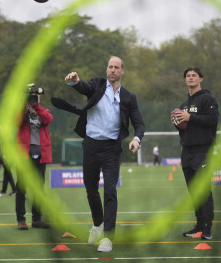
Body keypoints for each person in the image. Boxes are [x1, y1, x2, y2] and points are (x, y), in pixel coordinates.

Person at [62, 56, 145, 252]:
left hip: (111, 149)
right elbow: (83, 86)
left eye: (116, 67)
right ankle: (98, 224)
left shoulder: (129, 97)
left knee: (110, 191)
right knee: (90, 188)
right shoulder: (97, 85)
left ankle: (108, 237)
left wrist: (136, 139)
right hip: (90, 145)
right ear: (106, 69)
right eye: (110, 66)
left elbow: (139, 124)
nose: (112, 70)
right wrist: (74, 81)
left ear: (122, 71)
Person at [171, 67, 219, 240]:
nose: (190, 78)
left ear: (201, 79)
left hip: (203, 150)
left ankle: (207, 228)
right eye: (188, 76)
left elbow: (212, 121)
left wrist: (189, 117)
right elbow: (185, 130)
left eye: (194, 75)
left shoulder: (207, 99)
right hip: (187, 151)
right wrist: (178, 122)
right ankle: (199, 226)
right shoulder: (184, 104)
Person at [15, 92, 53, 230]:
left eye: (35, 97)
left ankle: (37, 219)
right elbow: (16, 121)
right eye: (31, 97)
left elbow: (48, 119)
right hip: (24, 156)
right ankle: (21, 220)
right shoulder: (21, 112)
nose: (32, 100)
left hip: (40, 155)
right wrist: (23, 105)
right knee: (21, 189)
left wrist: (36, 107)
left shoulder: (43, 112)